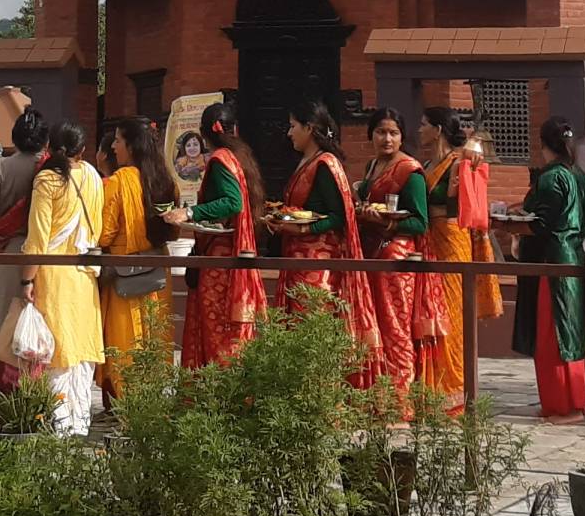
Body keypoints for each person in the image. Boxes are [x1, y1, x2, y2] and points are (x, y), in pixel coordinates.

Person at [268, 104, 384, 385]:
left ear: (309, 128)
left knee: (314, 331)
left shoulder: (325, 164)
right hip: (297, 259)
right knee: (298, 332)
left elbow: (339, 216)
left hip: (318, 266)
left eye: (293, 126)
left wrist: (303, 227)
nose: (289, 133)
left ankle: (324, 394)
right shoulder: (306, 161)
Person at [164, 104, 266, 368]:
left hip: (219, 260)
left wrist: (189, 212)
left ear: (203, 133)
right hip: (229, 253)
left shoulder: (220, 160)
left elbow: (233, 203)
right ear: (235, 130)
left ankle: (217, 387)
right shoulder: (238, 157)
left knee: (217, 330)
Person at [20, 123, 106, 434]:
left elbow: (37, 239)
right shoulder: (93, 177)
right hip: (84, 275)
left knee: (55, 354)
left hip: (53, 274)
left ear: (49, 148)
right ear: (82, 150)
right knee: (80, 354)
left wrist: (26, 281)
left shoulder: (47, 180)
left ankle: (57, 424)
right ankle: (79, 422)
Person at [507, 116, 585, 423]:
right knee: (571, 333)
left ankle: (562, 405)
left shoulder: (551, 176)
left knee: (552, 336)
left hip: (551, 262)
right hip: (573, 258)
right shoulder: (580, 176)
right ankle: (572, 400)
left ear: (542, 143)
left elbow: (540, 223)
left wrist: (511, 224)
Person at [416, 110, 499, 410]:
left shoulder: (459, 161)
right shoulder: (427, 165)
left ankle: (456, 393)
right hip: (429, 240)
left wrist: (473, 147)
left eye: (424, 124)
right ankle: (433, 390)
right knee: (432, 313)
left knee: (452, 315)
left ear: (437, 129)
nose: (419, 129)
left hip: (453, 241)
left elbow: (477, 167)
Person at [354, 109, 434, 404]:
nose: (386, 139)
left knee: (395, 329)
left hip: (396, 258)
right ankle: (376, 399)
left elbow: (420, 222)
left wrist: (385, 222)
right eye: (380, 132)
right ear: (371, 135)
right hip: (372, 255)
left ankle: (400, 403)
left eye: (393, 133)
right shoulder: (373, 166)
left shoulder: (409, 171)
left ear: (402, 137)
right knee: (374, 327)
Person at [95, 117, 175, 397]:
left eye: (118, 140)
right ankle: (151, 401)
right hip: (158, 272)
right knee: (154, 336)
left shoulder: (119, 181)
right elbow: (173, 229)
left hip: (125, 275)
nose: (113, 147)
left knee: (126, 341)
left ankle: (125, 403)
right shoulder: (165, 179)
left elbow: (104, 235)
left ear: (131, 145)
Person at [0, 109, 48, 381]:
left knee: (4, 335)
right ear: (46, 142)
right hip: (48, 257)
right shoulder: (53, 168)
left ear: (14, 139)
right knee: (43, 337)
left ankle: (8, 400)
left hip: (6, 253)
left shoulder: (1, 167)